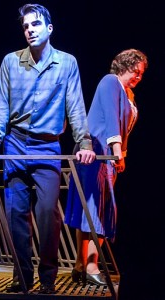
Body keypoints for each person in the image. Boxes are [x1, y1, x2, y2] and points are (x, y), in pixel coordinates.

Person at [0, 3, 95, 294]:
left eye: (36, 25)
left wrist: (84, 143)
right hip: (16, 145)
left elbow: (75, 106)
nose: (30, 30)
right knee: (15, 214)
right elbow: (1, 105)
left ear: (49, 28)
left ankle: (47, 278)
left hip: (47, 147)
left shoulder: (67, 62)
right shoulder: (10, 61)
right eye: (25, 26)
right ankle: (21, 276)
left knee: (47, 213)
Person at [64, 49, 148, 286]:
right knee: (94, 211)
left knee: (95, 210)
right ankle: (89, 265)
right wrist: (116, 151)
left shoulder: (128, 93)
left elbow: (125, 128)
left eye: (141, 74)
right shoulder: (110, 82)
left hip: (108, 158)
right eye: (136, 71)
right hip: (95, 155)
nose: (138, 77)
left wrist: (122, 155)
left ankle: (81, 266)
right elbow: (111, 118)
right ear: (124, 66)